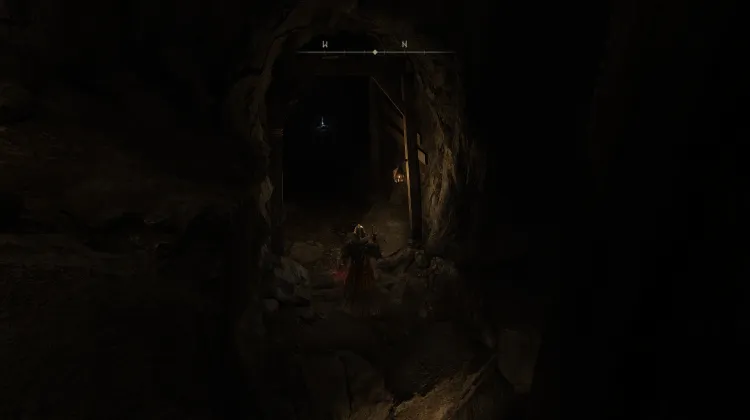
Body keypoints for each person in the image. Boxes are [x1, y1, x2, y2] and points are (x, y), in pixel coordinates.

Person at [338, 224, 382, 310]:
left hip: (362, 268)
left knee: (363, 287)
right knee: (356, 287)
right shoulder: (356, 244)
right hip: (359, 268)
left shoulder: (355, 244)